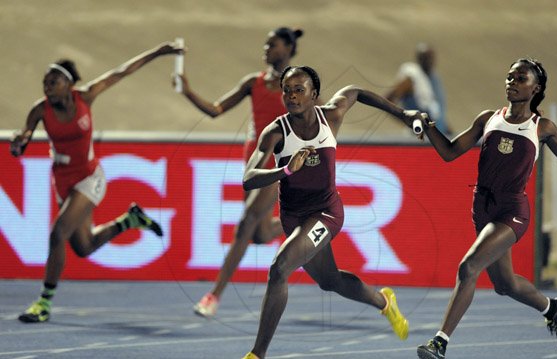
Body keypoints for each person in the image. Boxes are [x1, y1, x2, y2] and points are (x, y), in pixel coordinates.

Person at [416, 58, 557, 358]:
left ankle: (440, 341)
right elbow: (450, 153)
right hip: (482, 207)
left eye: (521, 78)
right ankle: (552, 308)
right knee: (505, 285)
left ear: (536, 87)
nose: (511, 82)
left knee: (468, 267)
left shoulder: (542, 127)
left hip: (511, 210)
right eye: (510, 77)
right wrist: (429, 126)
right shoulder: (488, 118)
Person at [240, 66, 423, 359]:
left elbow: (357, 91)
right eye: (287, 90)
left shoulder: (332, 116)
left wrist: (404, 114)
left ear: (314, 94)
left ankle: (256, 354)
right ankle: (384, 302)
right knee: (330, 281)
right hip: (293, 217)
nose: (292, 96)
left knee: (279, 269)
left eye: (299, 89)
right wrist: (285, 169)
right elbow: (248, 177)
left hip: (326, 212)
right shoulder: (276, 131)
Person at [10, 42, 183, 323]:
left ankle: (43, 303)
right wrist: (18, 146)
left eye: (53, 81)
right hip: (62, 181)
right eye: (45, 82)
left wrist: (159, 52)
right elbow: (23, 140)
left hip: (89, 178)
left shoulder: (86, 97)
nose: (47, 86)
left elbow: (123, 71)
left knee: (58, 234)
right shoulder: (39, 110)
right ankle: (130, 221)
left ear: (68, 84)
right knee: (84, 247)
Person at [175, 27, 304, 317]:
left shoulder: (298, 86)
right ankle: (303, 224)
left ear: (288, 49)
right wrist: (187, 91)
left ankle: (213, 296)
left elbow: (317, 117)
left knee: (246, 223)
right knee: (258, 234)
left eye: (272, 44)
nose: (266, 48)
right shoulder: (252, 82)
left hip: (279, 162)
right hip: (253, 160)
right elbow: (215, 109)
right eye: (266, 43)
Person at [385, 43, 450, 135]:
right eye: (425, 58)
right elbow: (387, 100)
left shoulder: (434, 78)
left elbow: (436, 112)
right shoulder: (411, 79)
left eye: (430, 57)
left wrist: (448, 130)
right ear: (419, 59)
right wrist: (408, 120)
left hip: (438, 136)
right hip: (419, 136)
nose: (428, 61)